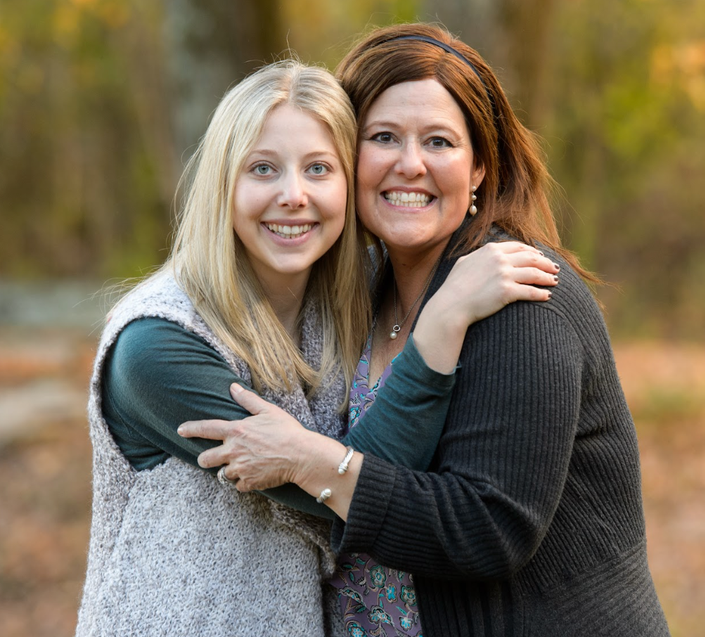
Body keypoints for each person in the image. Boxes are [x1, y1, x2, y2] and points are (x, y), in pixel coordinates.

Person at [179, 24, 671, 637]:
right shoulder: (358, 295)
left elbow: (488, 528)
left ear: (479, 169)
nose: (409, 164)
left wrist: (311, 461)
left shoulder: (523, 300)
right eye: (383, 137)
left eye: (438, 141)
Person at [75, 58, 558, 637]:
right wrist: (441, 322)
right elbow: (353, 486)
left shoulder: (345, 310)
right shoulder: (158, 347)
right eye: (262, 169)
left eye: (319, 169)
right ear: (221, 184)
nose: (293, 196)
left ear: (349, 184)